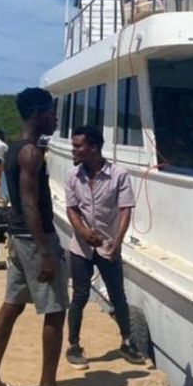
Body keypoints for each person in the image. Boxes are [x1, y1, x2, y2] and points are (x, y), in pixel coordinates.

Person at [0, 88, 83, 386]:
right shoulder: (30, 154)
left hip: (18, 238)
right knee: (55, 310)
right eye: (51, 111)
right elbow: (29, 203)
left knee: (12, 305)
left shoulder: (14, 149)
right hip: (35, 240)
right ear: (37, 113)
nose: (55, 118)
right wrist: (47, 252)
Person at [64, 125, 143, 369]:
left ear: (94, 147)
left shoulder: (119, 175)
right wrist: (84, 233)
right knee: (79, 295)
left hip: (109, 246)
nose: (73, 150)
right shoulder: (72, 176)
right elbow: (72, 209)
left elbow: (125, 209)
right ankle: (74, 345)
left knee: (118, 295)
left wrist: (117, 242)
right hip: (81, 247)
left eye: (78, 145)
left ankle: (127, 342)